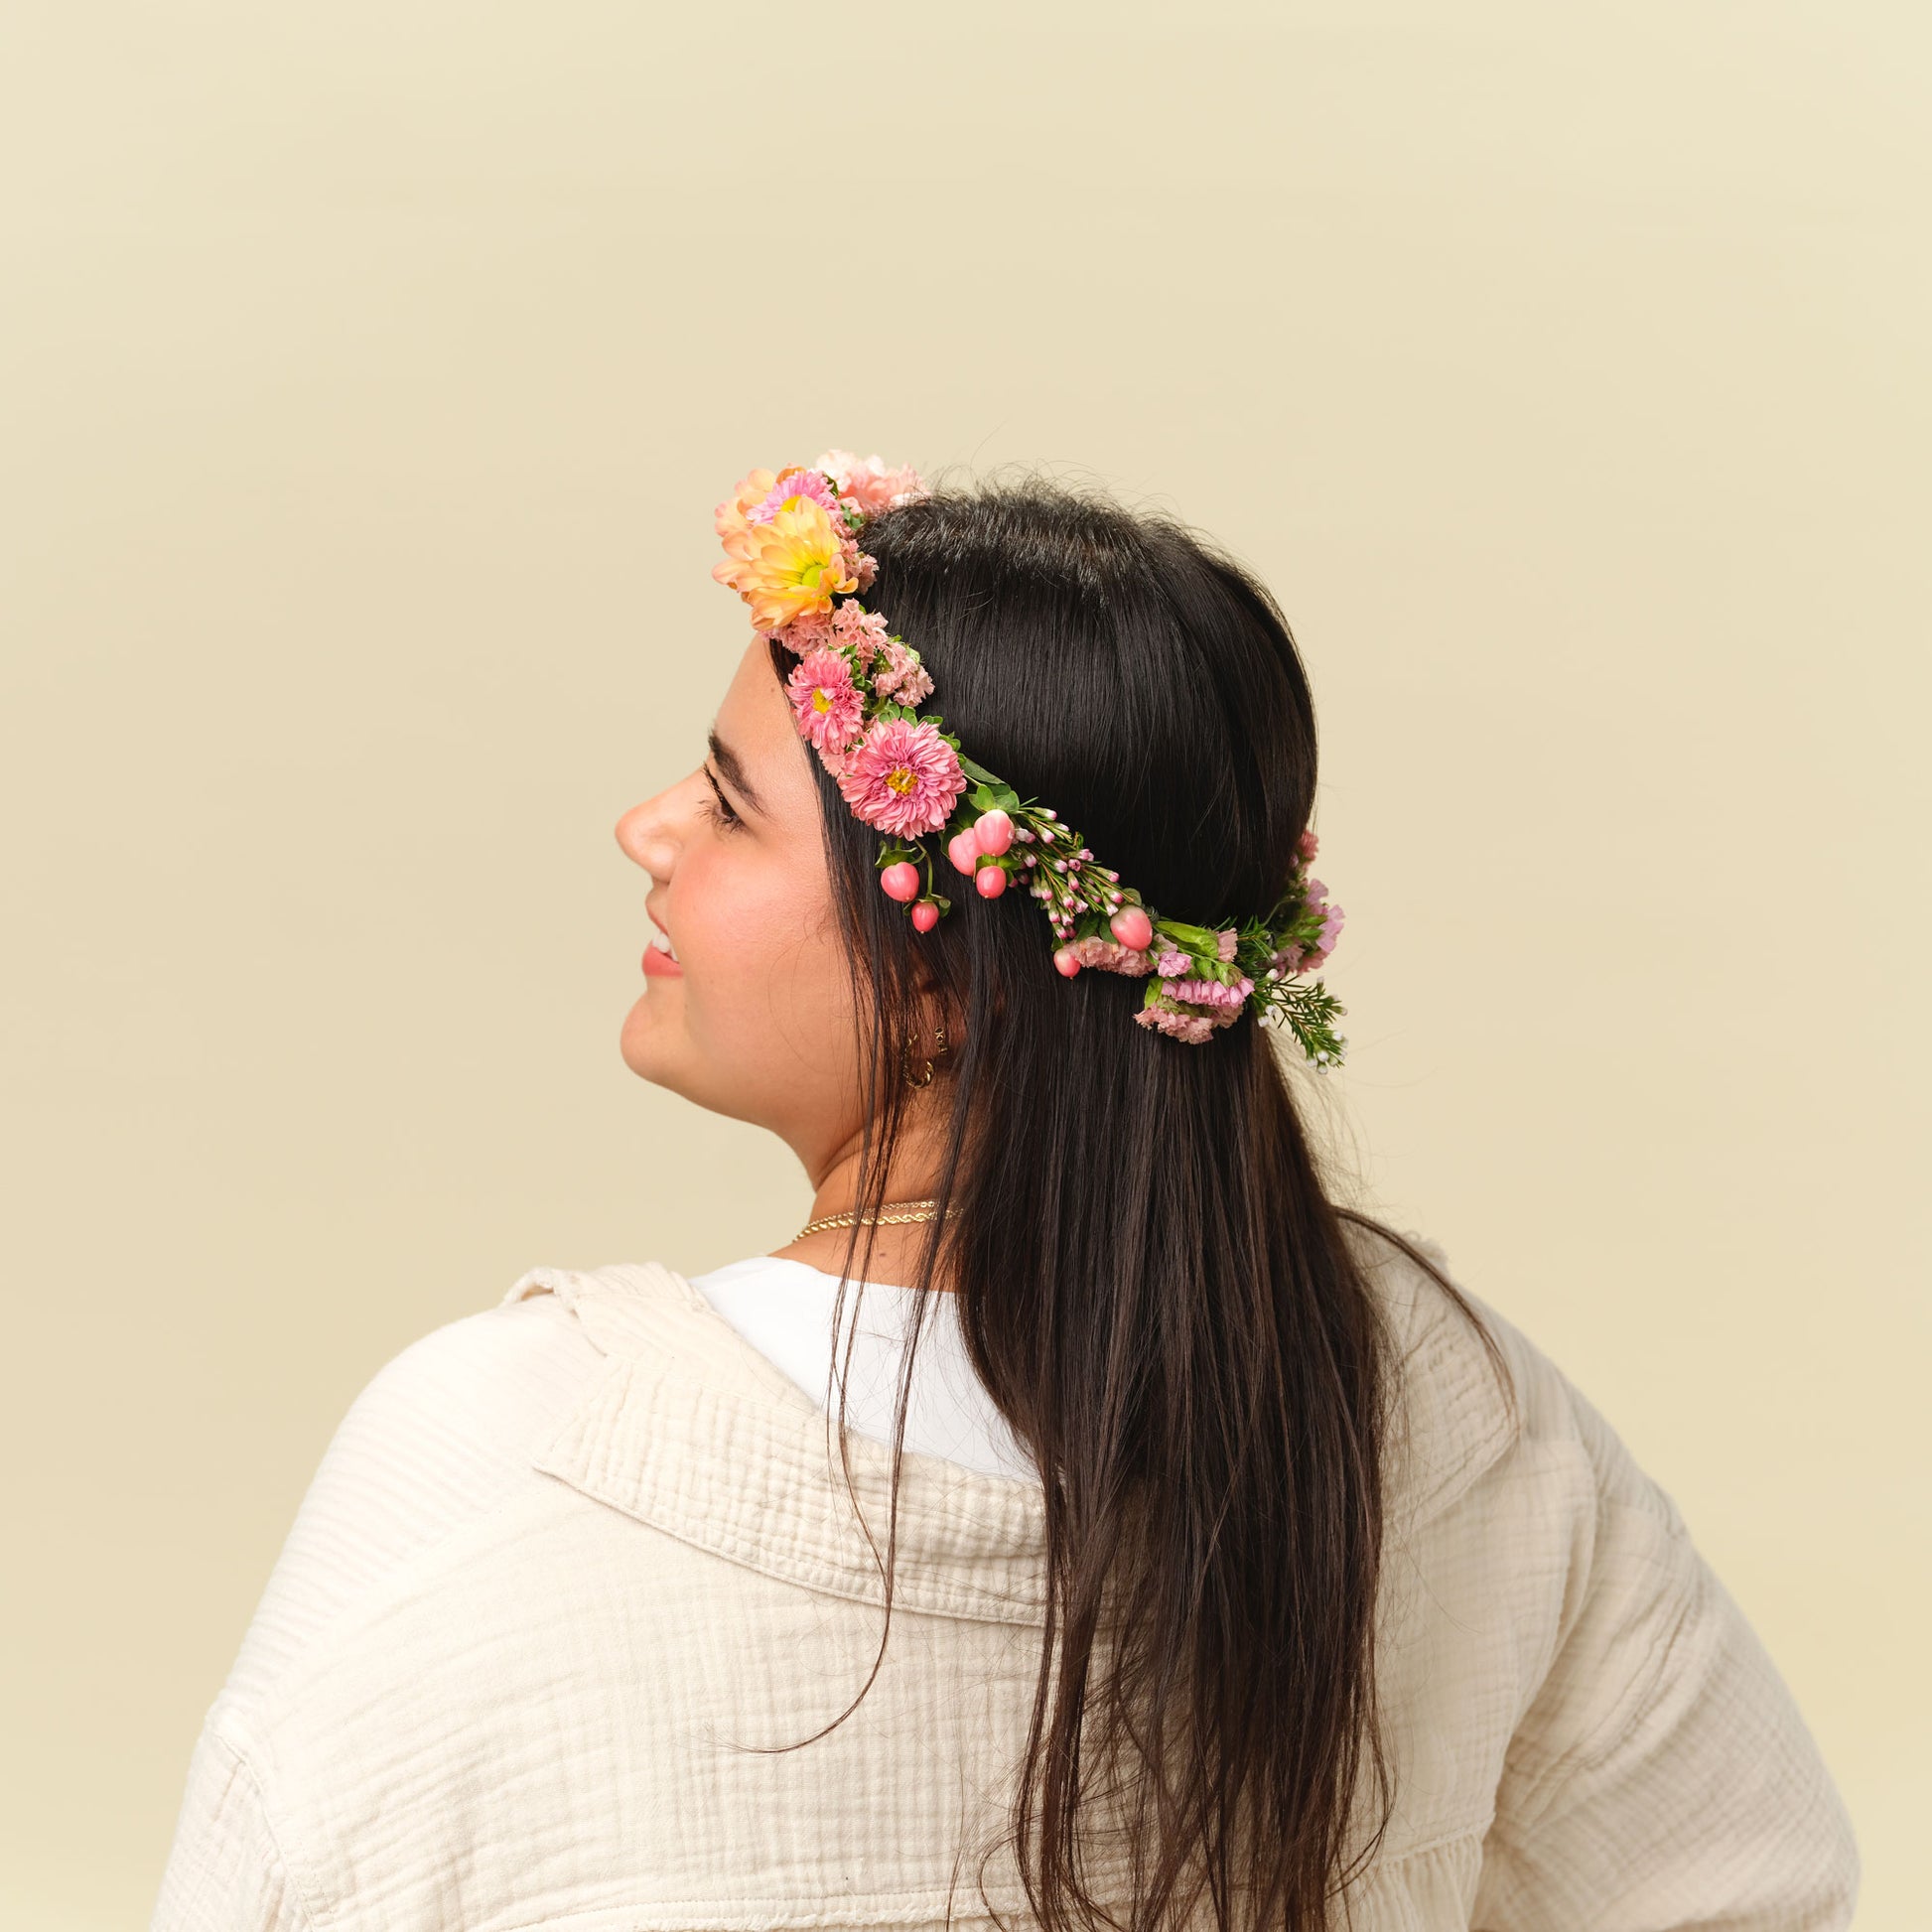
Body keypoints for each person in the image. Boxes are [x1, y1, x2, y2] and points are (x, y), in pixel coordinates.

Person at [151, 456, 1859, 1931]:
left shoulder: (516, 1449)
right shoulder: (1440, 1409)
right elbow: (1738, 1883)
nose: (644, 828)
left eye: (734, 810)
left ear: (959, 974)